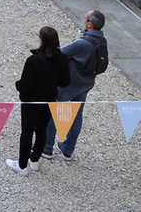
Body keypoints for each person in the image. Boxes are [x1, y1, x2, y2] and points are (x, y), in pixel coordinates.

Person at [41, 10, 108, 161]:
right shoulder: (102, 41)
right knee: (77, 116)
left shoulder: (82, 43)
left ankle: (46, 147)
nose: (83, 20)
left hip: (70, 84)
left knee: (53, 112)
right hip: (87, 84)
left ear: (89, 24)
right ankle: (67, 150)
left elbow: (60, 54)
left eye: (85, 18)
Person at [7, 26, 70, 175]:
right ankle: (34, 161)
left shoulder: (33, 60)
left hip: (31, 102)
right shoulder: (62, 58)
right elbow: (65, 82)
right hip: (49, 101)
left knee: (27, 132)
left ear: (41, 40)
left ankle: (22, 166)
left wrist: (17, 84)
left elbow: (25, 85)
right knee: (42, 130)